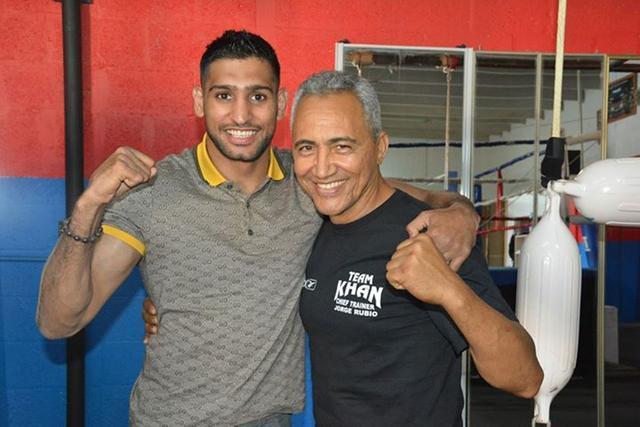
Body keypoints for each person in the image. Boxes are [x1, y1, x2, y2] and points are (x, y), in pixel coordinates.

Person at [36, 30, 479, 426]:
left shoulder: (312, 183)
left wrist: (461, 211)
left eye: (258, 96)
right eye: (223, 95)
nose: (241, 115)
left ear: (281, 104)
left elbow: (398, 194)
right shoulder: (153, 191)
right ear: (199, 101)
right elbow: (58, 322)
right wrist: (88, 207)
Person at [290, 71, 543, 426]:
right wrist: (460, 205)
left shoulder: (431, 234)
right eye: (306, 147)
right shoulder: (312, 220)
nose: (321, 168)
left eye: (342, 146)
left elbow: (525, 379)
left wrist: (449, 290)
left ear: (379, 147)